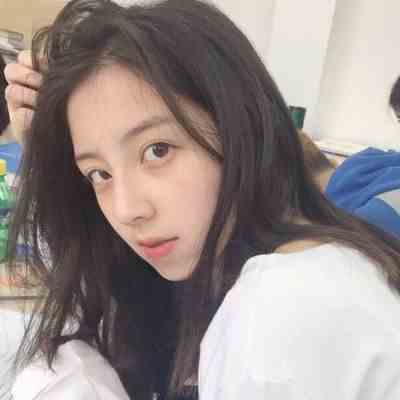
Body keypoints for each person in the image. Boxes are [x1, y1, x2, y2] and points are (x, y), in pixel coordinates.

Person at [4, 0, 400, 399]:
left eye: (157, 151)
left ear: (240, 126)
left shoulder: (285, 307)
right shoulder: (241, 272)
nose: (127, 211)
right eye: (99, 174)